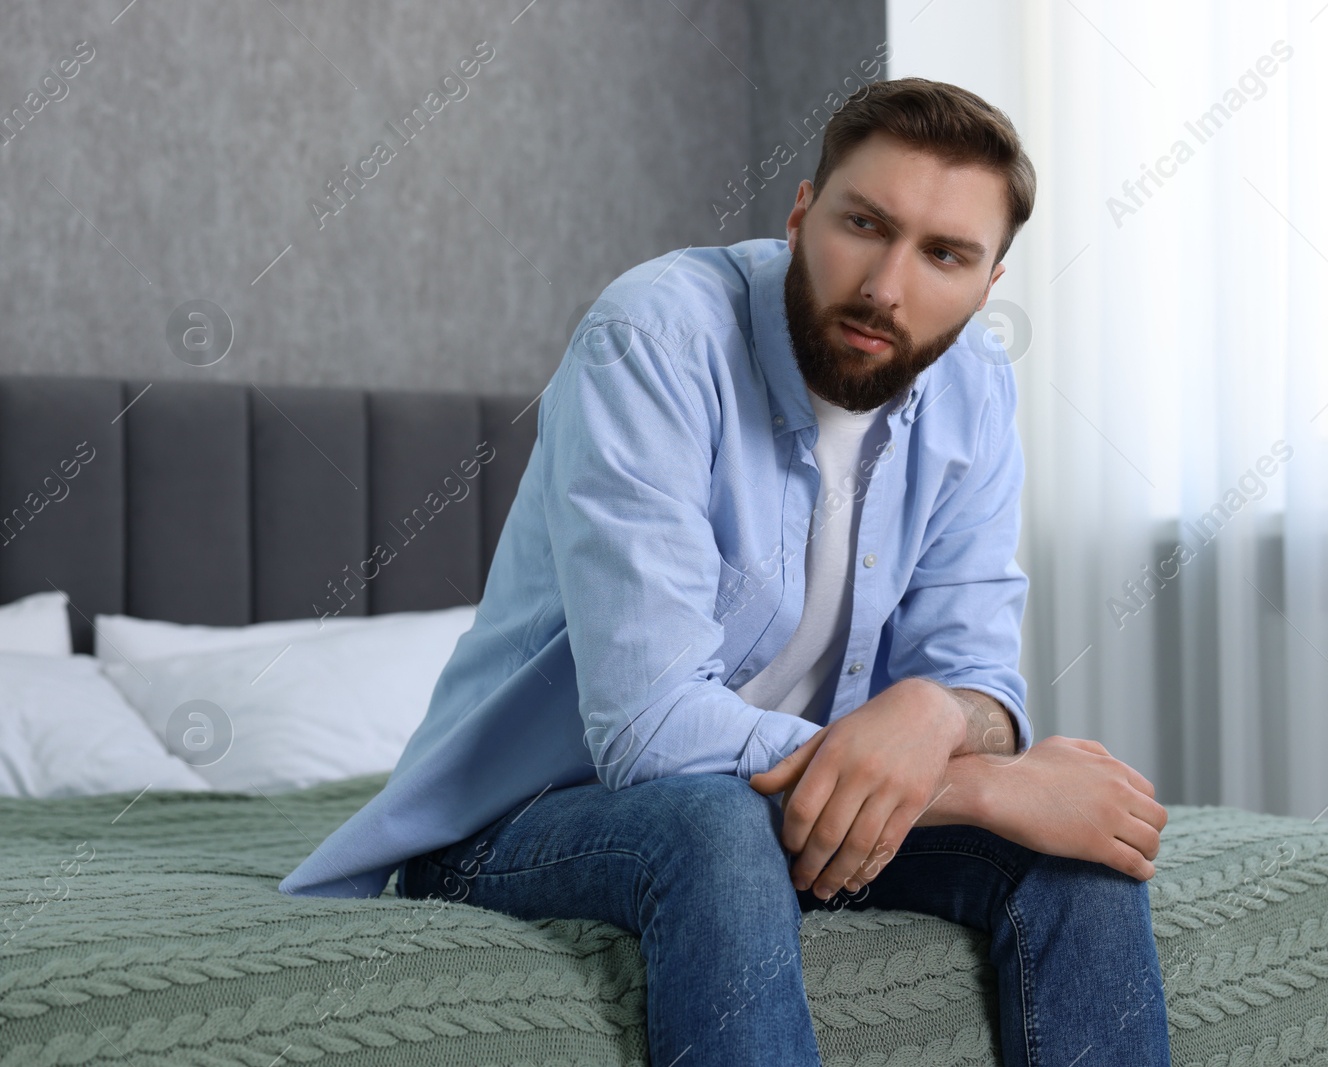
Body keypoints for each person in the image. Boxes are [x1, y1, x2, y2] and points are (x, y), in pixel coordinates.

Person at [280, 75, 1171, 1065]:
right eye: (863, 223)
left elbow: (980, 682)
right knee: (716, 825)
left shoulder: (975, 386)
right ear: (801, 213)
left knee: (1076, 855)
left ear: (988, 281)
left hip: (793, 810)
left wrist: (932, 715)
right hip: (524, 818)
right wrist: (981, 791)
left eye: (944, 254)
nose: (886, 283)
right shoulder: (653, 338)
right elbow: (651, 729)